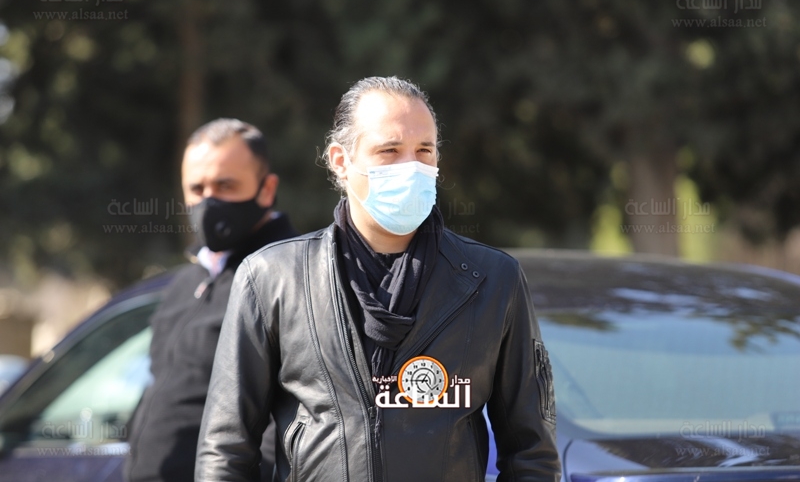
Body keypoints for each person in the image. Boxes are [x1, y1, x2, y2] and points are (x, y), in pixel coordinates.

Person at [195, 77, 561, 481]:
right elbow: (226, 449)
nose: (411, 167)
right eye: (390, 150)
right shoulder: (273, 277)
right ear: (341, 161)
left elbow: (532, 454)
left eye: (424, 150)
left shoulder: (492, 280)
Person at [126, 119, 297, 482]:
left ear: (267, 190)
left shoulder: (291, 278)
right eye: (197, 188)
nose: (208, 201)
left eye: (225, 185)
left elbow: (293, 419)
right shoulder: (185, 283)